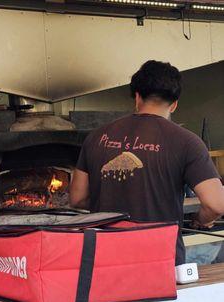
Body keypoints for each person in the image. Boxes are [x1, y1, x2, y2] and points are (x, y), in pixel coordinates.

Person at [70, 60, 224, 265]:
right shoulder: (188, 142)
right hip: (160, 261)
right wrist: (201, 220)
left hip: (105, 258)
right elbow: (215, 204)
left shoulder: (96, 137)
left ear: (137, 96)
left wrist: (112, 200)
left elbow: (78, 198)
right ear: (175, 104)